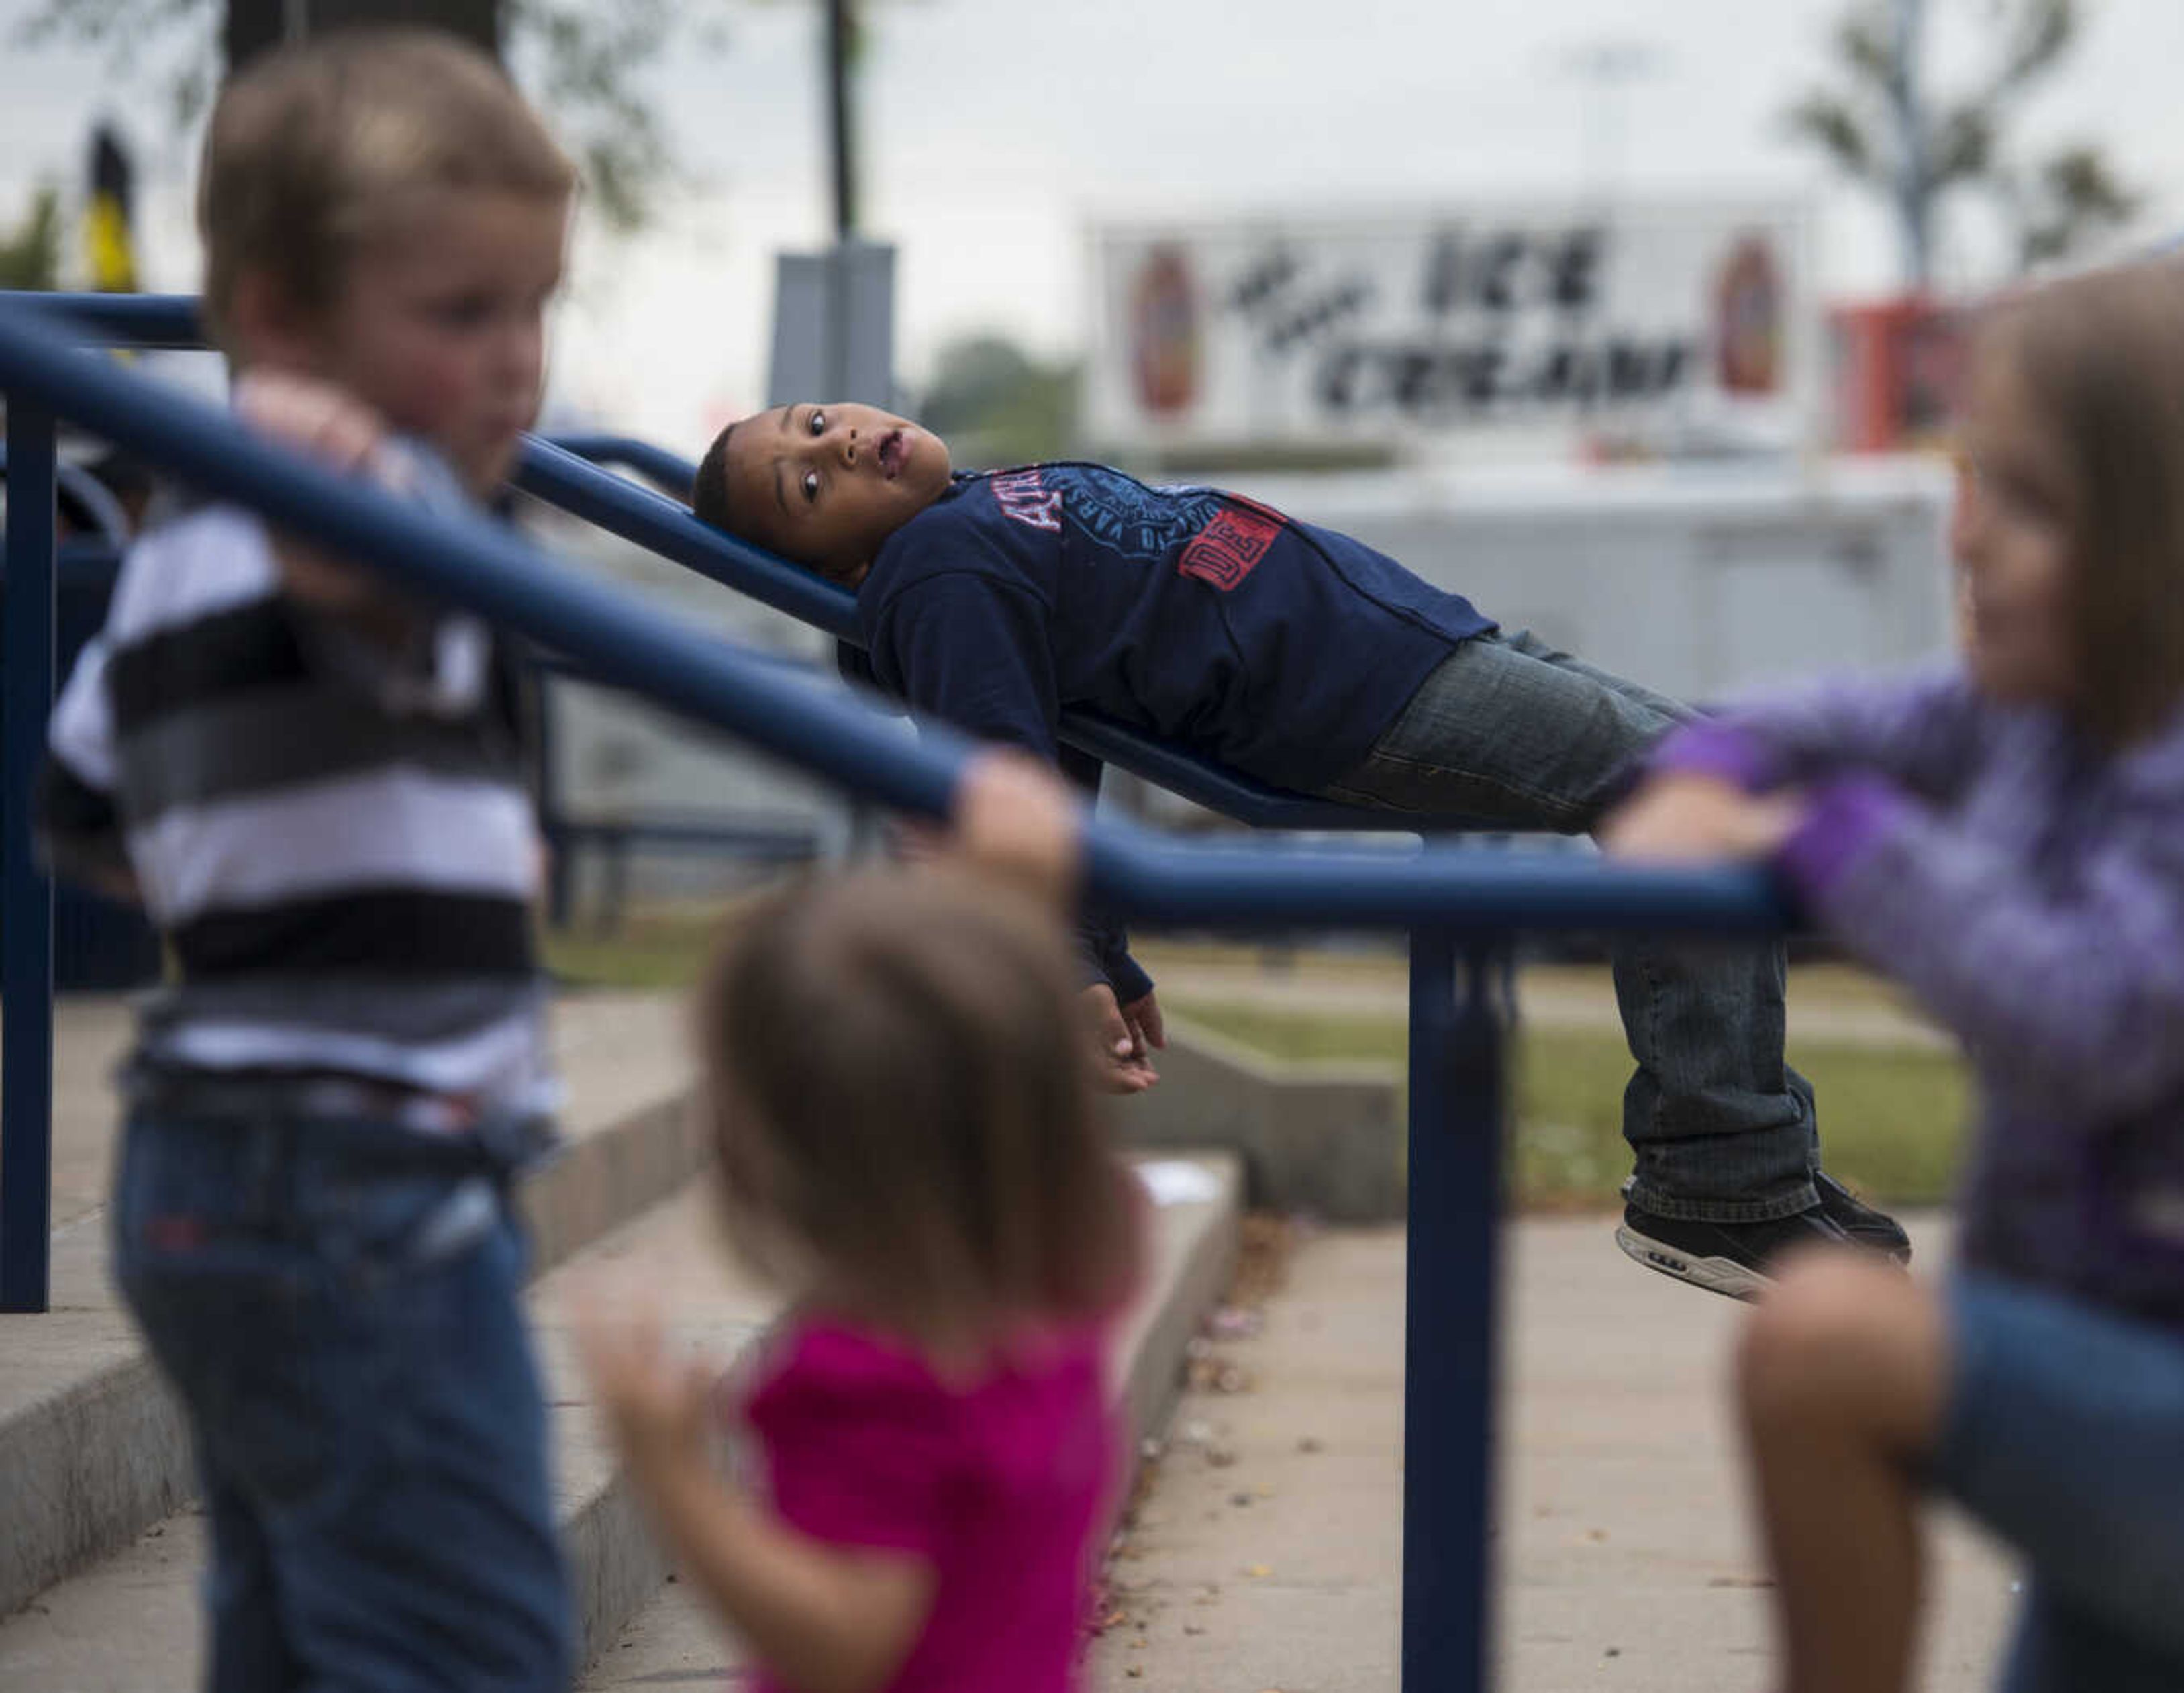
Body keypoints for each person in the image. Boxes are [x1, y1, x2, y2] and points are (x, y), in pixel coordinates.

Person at [1604, 262, 2184, 1693]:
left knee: (1822, 1339)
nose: (1968, 536)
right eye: (1972, 478)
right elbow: (1847, 710)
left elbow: (2090, 1021)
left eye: (2032, 503)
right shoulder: (2047, 705)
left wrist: (1837, 837)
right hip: (2156, 1388)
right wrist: (1709, 767)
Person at [684, 404, 1909, 1293]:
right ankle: (1718, 1177)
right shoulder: (936, 571)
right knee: (1678, 787)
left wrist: (1111, 949)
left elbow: (1061, 744)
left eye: (811, 421)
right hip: (1348, 699)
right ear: (844, 565)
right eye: (805, 485)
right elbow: (1001, 782)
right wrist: (1065, 964)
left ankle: (1762, 1169)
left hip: (1408, 645)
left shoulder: (969, 517)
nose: (833, 444)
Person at [36, 30, 581, 1690]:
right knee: (459, 1650)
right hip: (368, 1182)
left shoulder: (167, 550)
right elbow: (378, 576)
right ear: (276, 316)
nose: (516, 367)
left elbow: (80, 815)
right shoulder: (374, 503)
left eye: (536, 308)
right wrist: (341, 505)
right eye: (461, 314)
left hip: (206, 1173)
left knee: (292, 1639)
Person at [575, 761, 1144, 1693]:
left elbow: (848, 1639)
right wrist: (1016, 899)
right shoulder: (1057, 1276)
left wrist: (673, 1475)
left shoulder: (871, 1373)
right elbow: (997, 1067)